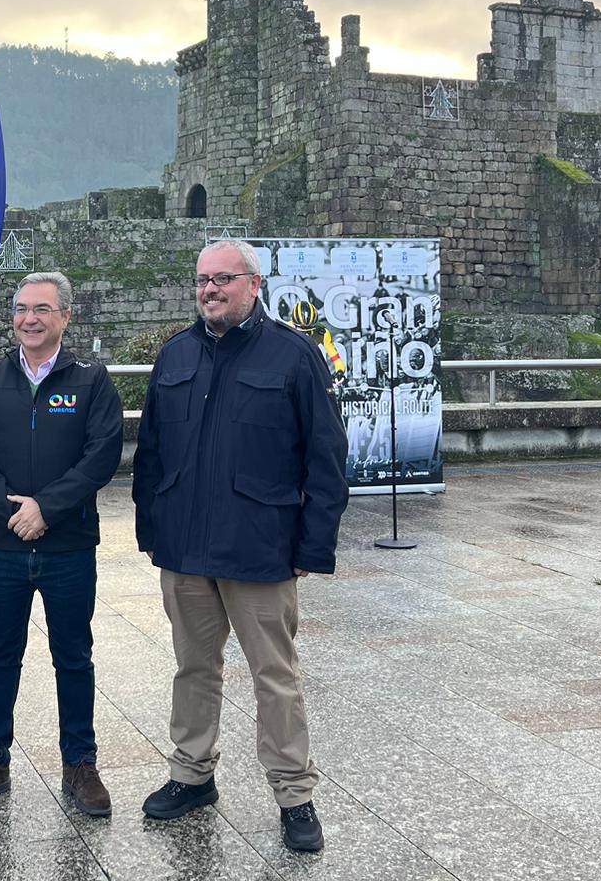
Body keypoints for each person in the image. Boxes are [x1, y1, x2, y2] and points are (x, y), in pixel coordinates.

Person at [132, 240, 348, 853]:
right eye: (202, 280)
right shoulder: (175, 355)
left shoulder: (294, 356)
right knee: (193, 669)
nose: (210, 290)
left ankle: (294, 795)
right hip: (185, 550)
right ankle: (191, 775)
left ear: (254, 284)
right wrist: (153, 531)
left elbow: (326, 459)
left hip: (260, 548)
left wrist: (314, 547)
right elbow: (150, 454)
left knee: (274, 676)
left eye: (223, 279)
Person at [0, 271, 123, 817]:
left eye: (42, 309)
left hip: (68, 546)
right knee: (0, 654)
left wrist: (47, 508)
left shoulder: (92, 381)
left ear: (65, 317)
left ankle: (80, 763)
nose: (29, 318)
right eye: (22, 308)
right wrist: (11, 511)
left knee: (73, 655)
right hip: (3, 546)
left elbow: (101, 454)